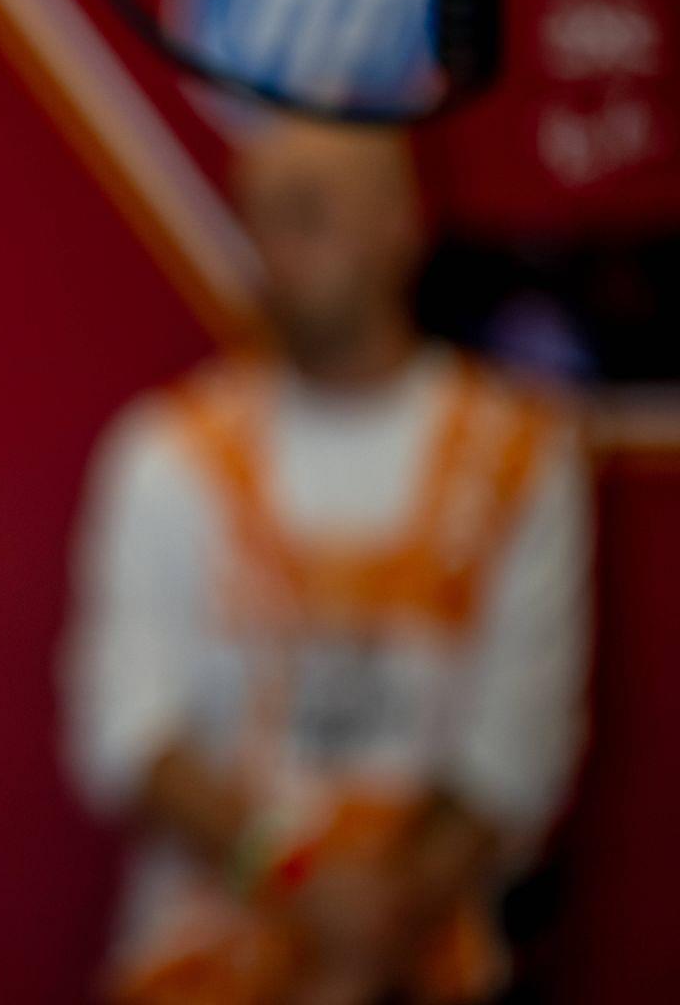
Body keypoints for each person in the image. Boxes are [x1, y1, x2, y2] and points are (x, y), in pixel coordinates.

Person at [63, 119, 591, 1004]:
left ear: (403, 220)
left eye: (310, 210)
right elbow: (129, 731)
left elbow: (517, 752)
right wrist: (308, 889)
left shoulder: (519, 457)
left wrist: (377, 930)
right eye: (259, 215)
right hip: (197, 966)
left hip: (436, 963)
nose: (279, 244)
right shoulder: (166, 454)